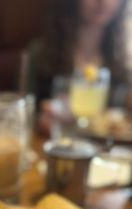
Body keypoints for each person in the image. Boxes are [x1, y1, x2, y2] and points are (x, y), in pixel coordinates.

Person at [25, 0, 130, 134]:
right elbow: (23, 110)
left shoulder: (121, 62)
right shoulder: (40, 54)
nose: (103, 2)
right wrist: (40, 119)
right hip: (55, 145)